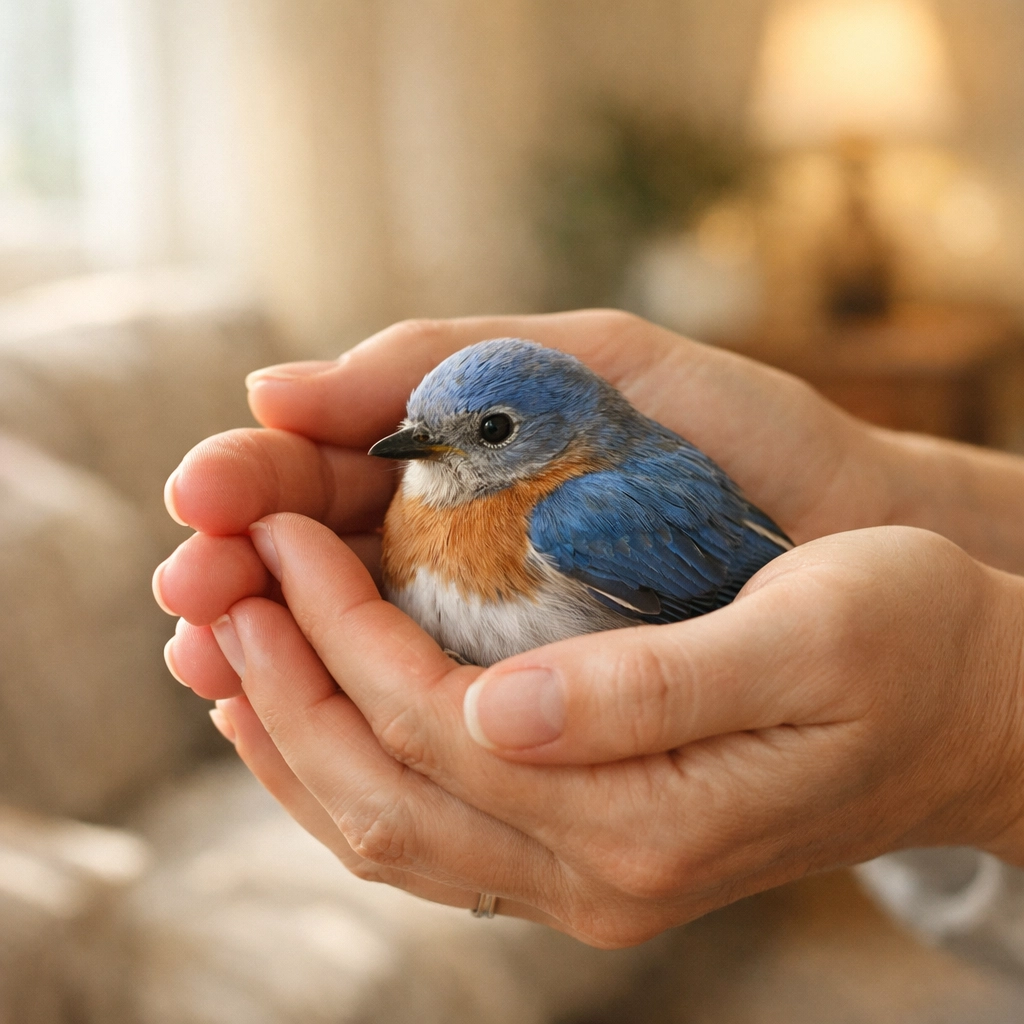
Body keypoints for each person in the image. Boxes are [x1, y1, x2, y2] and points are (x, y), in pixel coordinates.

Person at [154, 310, 1024, 951]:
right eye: (420, 426)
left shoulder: (585, 511)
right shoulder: (411, 507)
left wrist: (981, 716)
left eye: (490, 435)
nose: (422, 450)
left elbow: (768, 598)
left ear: (561, 436)